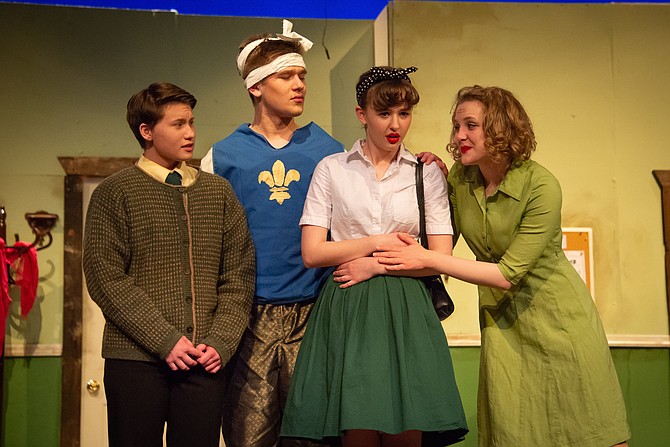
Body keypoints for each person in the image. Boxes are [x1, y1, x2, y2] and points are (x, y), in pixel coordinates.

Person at [374, 85, 631, 447]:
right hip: (503, 329)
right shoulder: (462, 180)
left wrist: (430, 259)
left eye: (470, 125)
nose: (459, 135)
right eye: (456, 126)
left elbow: (507, 274)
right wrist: (422, 180)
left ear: (500, 128)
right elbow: (434, 245)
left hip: (560, 324)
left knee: (589, 429)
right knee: (514, 431)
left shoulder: (541, 185)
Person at [280, 66, 469, 447]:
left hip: (407, 306)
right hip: (349, 304)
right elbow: (313, 252)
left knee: (407, 424)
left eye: (404, 113)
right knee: (358, 424)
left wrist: (373, 263)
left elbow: (441, 257)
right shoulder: (332, 169)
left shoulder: (426, 173)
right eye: (384, 114)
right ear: (361, 114)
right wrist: (379, 241)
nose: (395, 124)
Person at [83, 81, 255, 447]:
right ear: (147, 131)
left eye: (191, 122)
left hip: (204, 361)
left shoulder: (218, 192)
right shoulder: (115, 192)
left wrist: (221, 341)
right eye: (178, 124)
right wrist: (164, 340)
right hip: (134, 361)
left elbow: (239, 276)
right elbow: (105, 277)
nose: (191, 132)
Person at [199, 20, 344, 447]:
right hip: (247, 318)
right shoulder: (221, 157)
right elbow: (207, 247)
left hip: (315, 312)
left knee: (314, 436)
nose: (299, 84)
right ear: (256, 87)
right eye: (286, 75)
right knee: (249, 438)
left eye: (302, 75)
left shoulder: (330, 152)